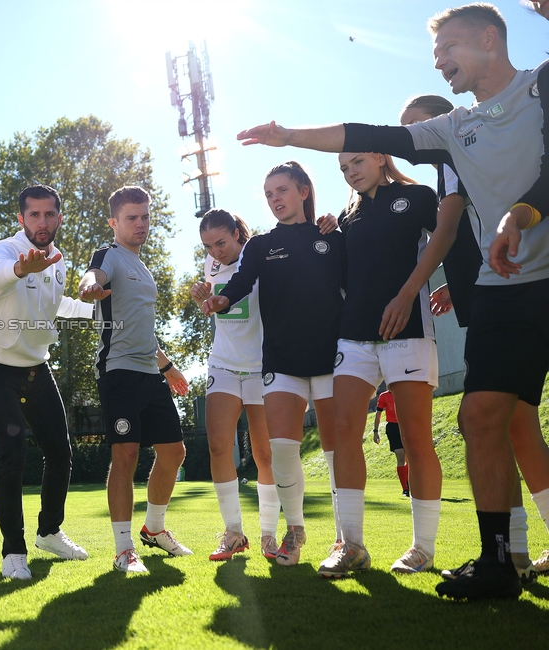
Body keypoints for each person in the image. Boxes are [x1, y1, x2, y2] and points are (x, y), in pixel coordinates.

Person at [235, 2, 549, 600]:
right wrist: (289, 135)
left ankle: (487, 549)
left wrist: (512, 221)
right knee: (484, 417)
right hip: (500, 291)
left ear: (489, 38)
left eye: (447, 49)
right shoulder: (452, 132)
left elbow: (453, 230)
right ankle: (496, 561)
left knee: (508, 424)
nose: (438, 62)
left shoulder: (540, 88)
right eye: (434, 54)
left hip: (509, 286)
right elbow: (371, 132)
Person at [402, 93, 549, 583]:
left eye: (418, 126)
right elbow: (470, 230)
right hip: (486, 294)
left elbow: (447, 230)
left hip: (509, 295)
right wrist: (452, 282)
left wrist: (411, 290)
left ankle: (514, 555)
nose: (415, 140)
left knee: (497, 423)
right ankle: (517, 554)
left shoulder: (461, 154)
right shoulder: (449, 168)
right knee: (512, 424)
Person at [203, 162, 345, 567]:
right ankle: (294, 533)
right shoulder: (261, 245)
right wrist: (221, 300)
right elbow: (241, 280)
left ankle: (344, 540)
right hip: (280, 359)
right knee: (282, 451)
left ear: (303, 191)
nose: (275, 199)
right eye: (268, 194)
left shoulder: (331, 237)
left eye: (281, 190)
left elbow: (354, 284)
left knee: (338, 452)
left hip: (331, 357)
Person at [316, 152, 450, 579]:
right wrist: (329, 234)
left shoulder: (418, 197)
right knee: (342, 433)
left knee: (415, 439)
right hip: (353, 336)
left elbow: (454, 239)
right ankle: (351, 545)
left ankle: (422, 549)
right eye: (342, 168)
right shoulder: (346, 215)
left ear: (379, 156)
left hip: (407, 331)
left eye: (356, 161)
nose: (350, 171)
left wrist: (441, 289)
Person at [0, 184, 95, 580]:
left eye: (50, 214)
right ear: (21, 218)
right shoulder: (7, 251)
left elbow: (56, 303)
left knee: (60, 451)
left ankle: (49, 531)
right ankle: (13, 552)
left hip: (36, 366)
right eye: (34, 215)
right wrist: (23, 268)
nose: (43, 221)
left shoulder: (57, 259)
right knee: (12, 452)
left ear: (59, 217)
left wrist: (97, 310)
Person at [78, 186, 191, 574]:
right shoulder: (109, 255)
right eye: (131, 218)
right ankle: (124, 549)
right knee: (125, 455)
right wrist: (88, 285)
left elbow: (142, 328)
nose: (140, 224)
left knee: (174, 453)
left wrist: (167, 365)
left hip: (149, 372)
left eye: (145, 216)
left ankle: (154, 530)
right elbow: (93, 273)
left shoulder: (142, 266)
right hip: (119, 372)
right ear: (114, 222)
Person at [189, 209, 279, 561]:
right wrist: (202, 299)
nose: (216, 252)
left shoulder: (260, 257)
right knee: (217, 448)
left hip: (260, 367)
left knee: (264, 455)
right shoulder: (211, 265)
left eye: (221, 242)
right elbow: (215, 310)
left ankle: (269, 535)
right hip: (223, 364)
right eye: (208, 246)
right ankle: (233, 533)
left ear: (239, 232)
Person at [372, 390, 409, 497]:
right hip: (393, 428)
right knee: (400, 456)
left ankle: (410, 484)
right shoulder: (384, 396)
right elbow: (378, 414)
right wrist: (375, 431)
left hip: (405, 426)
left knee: (408, 458)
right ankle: (405, 489)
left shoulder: (405, 392)